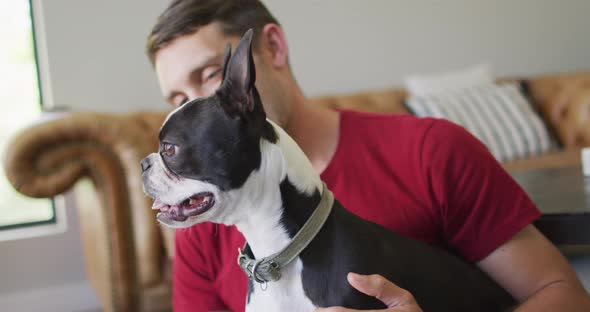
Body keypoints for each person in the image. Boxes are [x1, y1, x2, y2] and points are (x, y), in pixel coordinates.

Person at [146, 1, 590, 311]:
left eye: (208, 76)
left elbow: (565, 295)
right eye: (177, 98)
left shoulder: (432, 151)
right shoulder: (202, 213)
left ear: (273, 49)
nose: (192, 108)